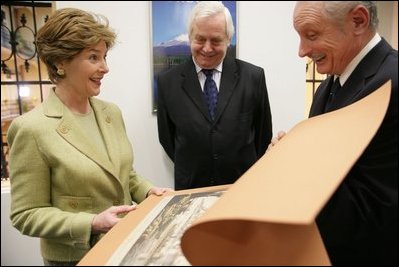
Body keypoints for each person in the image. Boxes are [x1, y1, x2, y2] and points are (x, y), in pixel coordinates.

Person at [7, 8, 170, 266]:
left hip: (125, 248)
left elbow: (124, 176)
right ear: (60, 62)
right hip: (77, 259)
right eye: (94, 57)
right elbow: (26, 215)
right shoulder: (31, 128)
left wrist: (149, 191)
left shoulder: (111, 113)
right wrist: (92, 223)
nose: (105, 68)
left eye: (104, 57)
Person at [269, 1, 397, 265]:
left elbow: (378, 212)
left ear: (358, 21)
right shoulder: (329, 85)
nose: (301, 51)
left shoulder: (390, 86)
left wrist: (291, 168)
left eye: (312, 35)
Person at [157, 1, 273, 190]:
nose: (207, 48)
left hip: (242, 189)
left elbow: (263, 135)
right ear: (190, 37)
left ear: (228, 39)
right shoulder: (167, 83)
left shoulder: (253, 77)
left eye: (216, 40)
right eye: (200, 39)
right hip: (191, 191)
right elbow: (168, 139)